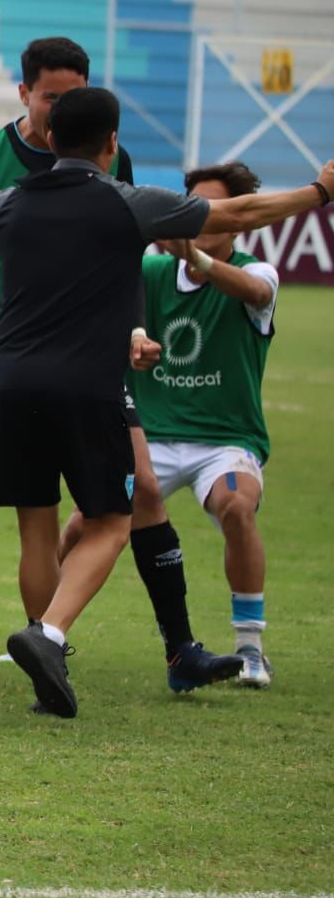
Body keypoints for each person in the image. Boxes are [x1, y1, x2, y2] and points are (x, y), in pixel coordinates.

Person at [0, 86, 334, 717]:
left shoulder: (8, 202)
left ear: (49, 139)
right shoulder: (129, 204)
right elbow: (238, 216)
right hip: (88, 388)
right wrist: (317, 194)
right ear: (112, 143)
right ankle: (47, 635)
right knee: (110, 523)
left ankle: (49, 666)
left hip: (10, 385)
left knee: (37, 529)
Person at [0, 37, 134, 677]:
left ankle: (54, 646)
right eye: (51, 96)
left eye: (73, 97)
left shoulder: (111, 159)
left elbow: (127, 256)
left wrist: (134, 332)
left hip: (88, 358)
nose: (60, 108)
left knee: (129, 496)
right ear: (24, 93)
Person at [131, 162, 279, 688]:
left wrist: (195, 257)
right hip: (153, 436)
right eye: (193, 208)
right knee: (88, 520)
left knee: (237, 507)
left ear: (238, 221)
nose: (201, 219)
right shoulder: (149, 271)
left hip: (225, 442)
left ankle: (251, 649)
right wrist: (135, 344)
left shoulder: (259, 273)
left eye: (214, 211)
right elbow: (117, 324)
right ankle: (44, 632)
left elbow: (255, 296)